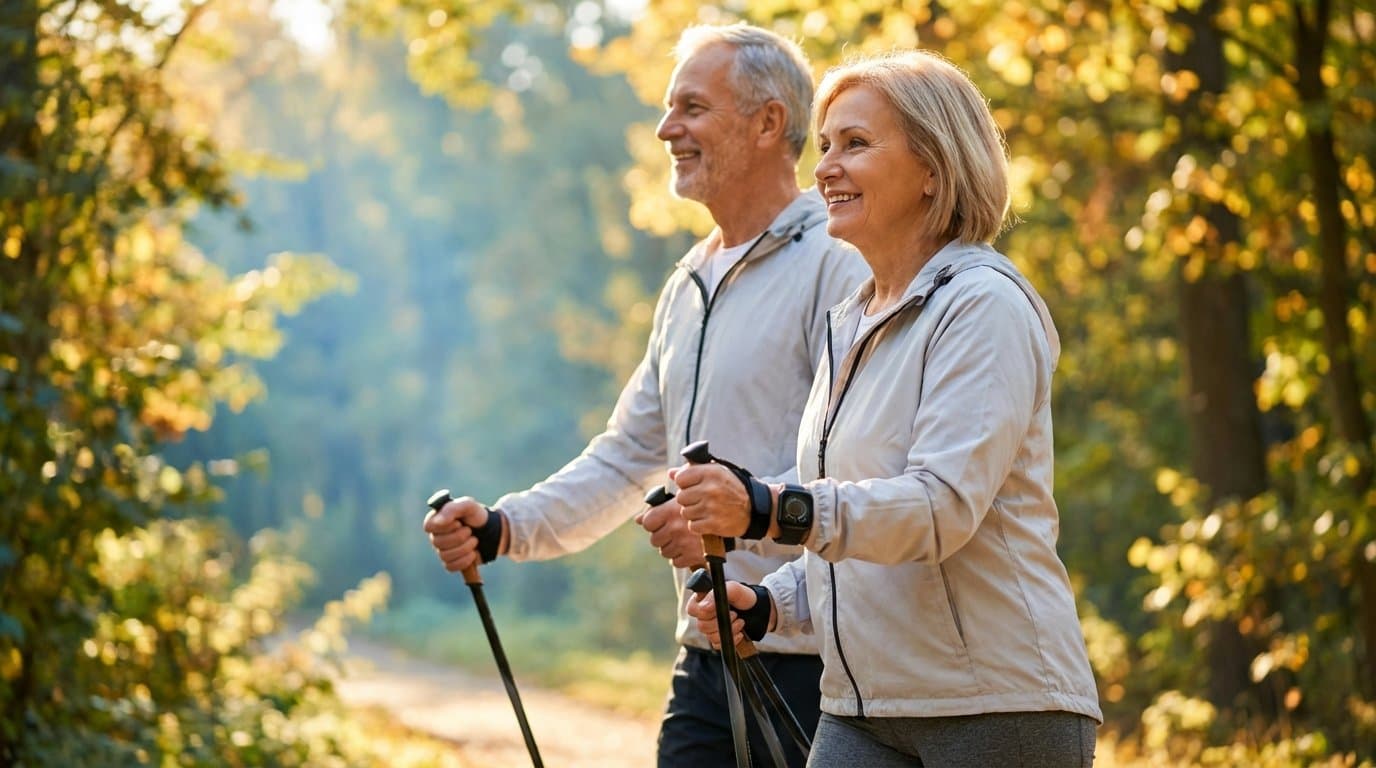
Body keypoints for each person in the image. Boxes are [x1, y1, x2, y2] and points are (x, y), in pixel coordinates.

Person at [422, 22, 869, 768]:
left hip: (815, 661)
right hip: (705, 652)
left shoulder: (837, 262)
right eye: (670, 109)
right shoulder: (687, 285)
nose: (667, 129)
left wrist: (738, 527)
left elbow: (862, 461)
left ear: (767, 123)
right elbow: (627, 455)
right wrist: (504, 528)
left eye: (692, 107)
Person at [674, 49, 1103, 767]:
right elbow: (860, 539)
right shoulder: (851, 322)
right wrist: (772, 603)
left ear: (933, 167)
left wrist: (766, 506)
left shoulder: (983, 305)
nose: (825, 168)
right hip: (862, 707)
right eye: (825, 146)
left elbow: (937, 509)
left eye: (857, 144)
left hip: (997, 706)